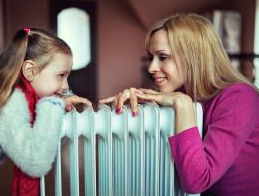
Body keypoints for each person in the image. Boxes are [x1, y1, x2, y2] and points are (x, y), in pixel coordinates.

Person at [100, 13, 259, 196]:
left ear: (194, 57)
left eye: (163, 57)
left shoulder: (239, 98)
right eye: (151, 57)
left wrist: (183, 104)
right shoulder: (180, 93)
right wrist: (135, 108)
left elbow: (197, 182)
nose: (151, 67)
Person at [0, 28, 92, 195]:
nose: (66, 86)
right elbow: (35, 161)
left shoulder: (10, 90)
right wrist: (54, 104)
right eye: (61, 75)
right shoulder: (8, 100)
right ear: (30, 71)